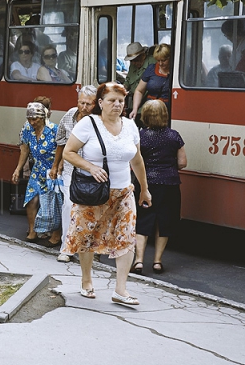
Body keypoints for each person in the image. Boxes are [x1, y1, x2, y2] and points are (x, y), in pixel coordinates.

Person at [63, 83, 151, 306]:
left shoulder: (131, 126)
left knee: (127, 237)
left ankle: (120, 289)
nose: (117, 105)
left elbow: (137, 160)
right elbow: (68, 152)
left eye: (121, 101)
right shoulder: (88, 124)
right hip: (93, 192)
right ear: (100, 103)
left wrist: (144, 188)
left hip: (123, 193)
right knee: (87, 236)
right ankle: (86, 281)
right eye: (112, 100)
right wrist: (90, 167)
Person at [131, 100, 187, 275]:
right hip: (169, 184)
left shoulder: (140, 136)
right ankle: (157, 262)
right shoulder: (174, 136)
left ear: (145, 116)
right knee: (164, 222)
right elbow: (183, 163)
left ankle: (139, 261)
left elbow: (134, 161)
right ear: (165, 115)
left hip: (145, 185)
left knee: (143, 220)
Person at [49, 85, 97, 263]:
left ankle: (89, 249)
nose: (84, 107)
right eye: (81, 102)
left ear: (96, 104)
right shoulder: (70, 115)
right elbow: (61, 141)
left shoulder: (98, 120)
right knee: (69, 206)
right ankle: (66, 248)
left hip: (92, 171)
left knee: (90, 209)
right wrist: (56, 165)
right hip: (70, 169)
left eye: (88, 104)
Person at [12, 102, 60, 247]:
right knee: (31, 200)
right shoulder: (28, 129)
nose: (32, 122)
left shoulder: (54, 130)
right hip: (37, 170)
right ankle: (32, 231)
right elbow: (25, 150)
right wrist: (18, 169)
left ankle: (56, 234)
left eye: (35, 119)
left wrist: (57, 166)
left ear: (43, 117)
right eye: (29, 119)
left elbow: (62, 150)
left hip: (52, 171)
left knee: (54, 204)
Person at [130, 43, 172, 117]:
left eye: (164, 60)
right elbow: (139, 91)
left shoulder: (176, 71)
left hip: (168, 111)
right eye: (158, 61)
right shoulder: (151, 69)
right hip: (150, 111)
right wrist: (135, 109)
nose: (161, 64)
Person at [122, 42, 155, 116]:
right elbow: (128, 79)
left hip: (147, 105)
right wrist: (124, 87)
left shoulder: (152, 62)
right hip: (133, 104)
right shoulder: (133, 65)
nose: (133, 63)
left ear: (143, 56)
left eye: (136, 60)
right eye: (131, 61)